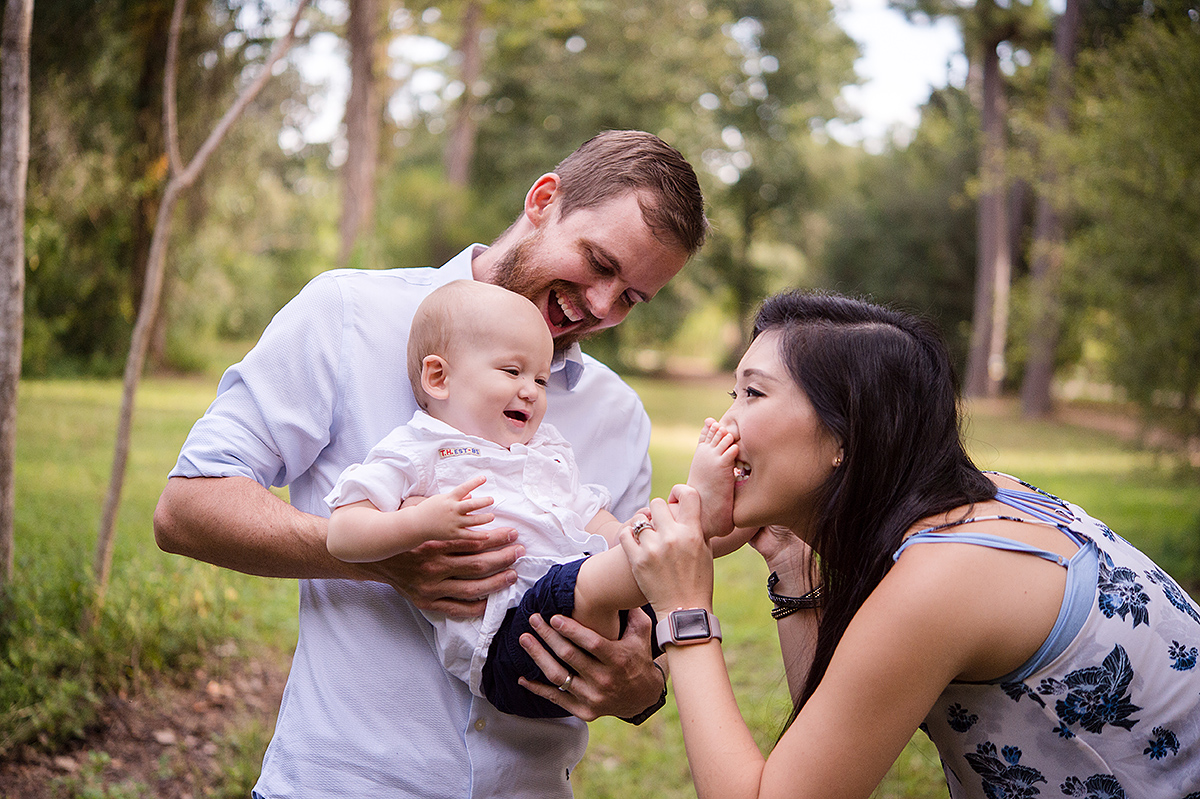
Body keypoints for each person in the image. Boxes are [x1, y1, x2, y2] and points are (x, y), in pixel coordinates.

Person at [153, 130, 708, 797]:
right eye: (597, 261)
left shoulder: (617, 414)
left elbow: (636, 614)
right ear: (543, 200)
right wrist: (378, 555)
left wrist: (640, 686)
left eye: (630, 298)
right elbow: (186, 508)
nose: (599, 303)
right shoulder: (350, 315)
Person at [519, 290, 1200, 799]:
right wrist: (793, 568)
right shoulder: (977, 502)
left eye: (753, 394)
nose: (721, 424)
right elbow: (821, 760)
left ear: (845, 438)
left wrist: (685, 613)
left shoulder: (946, 577)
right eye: (733, 392)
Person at [324, 279, 744, 717]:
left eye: (540, 379)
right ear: (438, 377)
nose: (531, 391)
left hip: (581, 626)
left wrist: (628, 534)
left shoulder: (545, 451)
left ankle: (711, 528)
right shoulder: (419, 449)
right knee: (605, 575)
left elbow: (591, 520)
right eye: (512, 371)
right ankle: (696, 520)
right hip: (507, 643)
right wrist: (420, 524)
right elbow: (343, 533)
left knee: (643, 550)